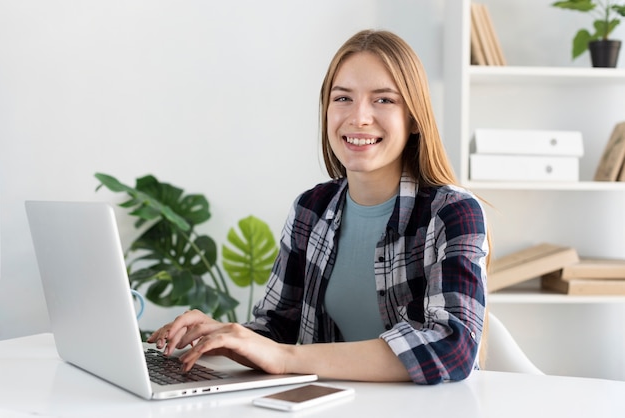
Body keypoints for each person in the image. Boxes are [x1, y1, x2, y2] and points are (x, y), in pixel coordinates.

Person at [148, 29, 489, 385]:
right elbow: (276, 328)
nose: (359, 117)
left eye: (384, 100)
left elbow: (453, 348)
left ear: (415, 118)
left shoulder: (452, 212)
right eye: (343, 98)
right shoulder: (310, 210)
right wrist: (224, 335)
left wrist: (287, 357)